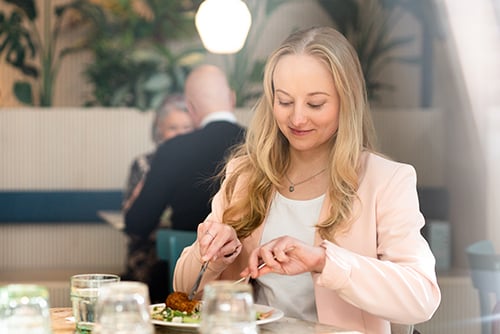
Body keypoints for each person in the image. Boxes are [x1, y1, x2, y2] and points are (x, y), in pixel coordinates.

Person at [173, 26, 441, 333]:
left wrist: (324, 262)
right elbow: (184, 291)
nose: (297, 119)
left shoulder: (386, 180)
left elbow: (422, 298)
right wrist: (212, 256)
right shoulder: (244, 174)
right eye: (285, 102)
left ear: (346, 102)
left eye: (315, 104)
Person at [124, 64, 246, 297]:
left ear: (190, 108)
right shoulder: (262, 146)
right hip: (249, 279)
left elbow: (137, 225)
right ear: (232, 98)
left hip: (186, 280)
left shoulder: (173, 149)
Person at [122, 93, 194, 301]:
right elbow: (132, 219)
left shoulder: (199, 163)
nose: (180, 134)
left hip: (191, 248)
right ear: (159, 130)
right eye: (173, 128)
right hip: (149, 250)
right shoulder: (143, 164)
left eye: (186, 128)